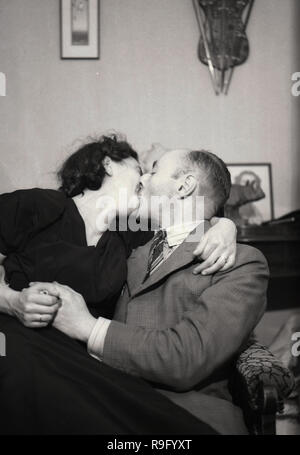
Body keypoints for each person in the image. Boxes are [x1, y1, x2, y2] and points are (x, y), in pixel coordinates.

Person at [0, 135, 237, 434]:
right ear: (108, 164)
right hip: (16, 338)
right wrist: (11, 301)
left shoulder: (128, 234)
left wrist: (225, 226)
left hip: (79, 357)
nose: (146, 179)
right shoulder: (40, 205)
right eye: (139, 168)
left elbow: (188, 222)